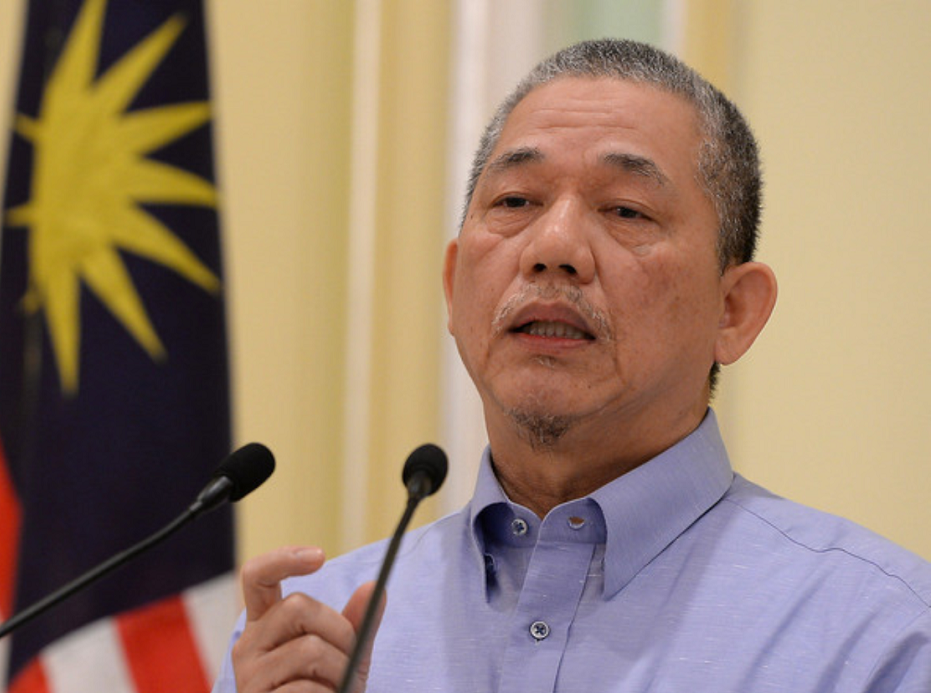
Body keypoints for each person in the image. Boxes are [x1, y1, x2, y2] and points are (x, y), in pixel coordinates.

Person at [212, 39, 931, 692]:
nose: (552, 245)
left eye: (625, 210)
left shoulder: (880, 638)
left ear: (734, 310)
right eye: (517, 200)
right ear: (455, 287)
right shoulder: (310, 639)